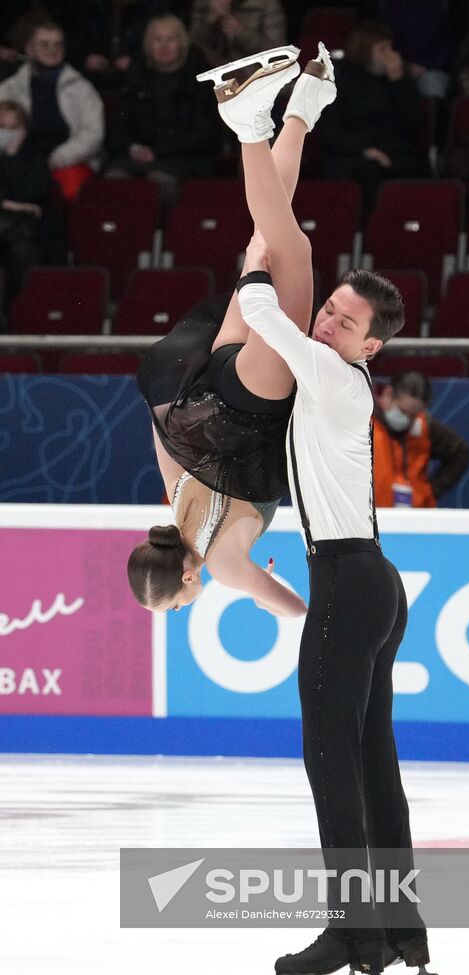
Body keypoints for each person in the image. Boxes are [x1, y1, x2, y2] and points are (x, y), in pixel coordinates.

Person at [200, 46, 436, 975]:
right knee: (371, 759)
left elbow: (266, 306)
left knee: (328, 755)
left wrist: (261, 266)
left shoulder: (337, 376)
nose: (331, 319)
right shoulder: (334, 370)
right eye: (332, 308)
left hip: (347, 581)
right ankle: (400, 933)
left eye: (345, 319)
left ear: (370, 345)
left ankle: (352, 933)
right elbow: (279, 305)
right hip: (366, 581)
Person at [127, 42, 337, 620]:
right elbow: (162, 427)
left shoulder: (220, 565)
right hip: (206, 386)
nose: (183, 607)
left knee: (291, 247)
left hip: (251, 401)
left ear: (188, 577)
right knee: (268, 241)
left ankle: (248, 123)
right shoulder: (174, 508)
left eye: (176, 605)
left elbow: (297, 610)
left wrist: (254, 587)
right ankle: (307, 104)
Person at [105, 14, 220, 205]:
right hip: (139, 154)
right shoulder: (135, 77)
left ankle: (160, 233)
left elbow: (205, 134)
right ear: (148, 44)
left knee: (158, 183)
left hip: (184, 158)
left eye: (170, 39)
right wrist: (132, 148)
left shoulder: (200, 79)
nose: (164, 46)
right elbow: (117, 128)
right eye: (157, 40)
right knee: (114, 178)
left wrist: (158, 152)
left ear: (181, 42)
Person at [317, 20, 425, 212]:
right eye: (382, 49)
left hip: (392, 150)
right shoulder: (340, 80)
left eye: (390, 48)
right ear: (366, 50)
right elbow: (331, 131)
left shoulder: (397, 81)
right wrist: (365, 150)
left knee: (415, 170)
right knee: (371, 176)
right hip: (353, 154)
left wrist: (399, 83)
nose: (390, 55)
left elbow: (412, 125)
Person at [0, 20, 104, 201]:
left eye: (58, 44)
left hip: (66, 160)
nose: (52, 50)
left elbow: (93, 134)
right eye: (44, 44)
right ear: (29, 49)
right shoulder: (10, 88)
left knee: (65, 193)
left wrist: (56, 159)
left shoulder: (82, 88)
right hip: (18, 158)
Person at [373, 370, 469, 508]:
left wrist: (430, 491)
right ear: (388, 394)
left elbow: (461, 452)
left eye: (413, 415)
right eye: (402, 411)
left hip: (415, 516)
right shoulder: (362, 423)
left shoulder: (424, 426)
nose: (406, 419)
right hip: (370, 517)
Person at [0, 98, 51, 298]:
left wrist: (11, 157)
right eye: (2, 127)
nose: (7, 133)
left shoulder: (36, 157)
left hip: (23, 229)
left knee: (23, 251)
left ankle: (21, 316)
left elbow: (31, 193)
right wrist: (9, 204)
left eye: (14, 127)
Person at [189, 0, 286, 69]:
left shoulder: (265, 4)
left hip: (254, 75)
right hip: (211, 72)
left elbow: (277, 54)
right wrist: (211, 18)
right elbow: (192, 46)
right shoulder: (204, 3)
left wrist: (241, 33)